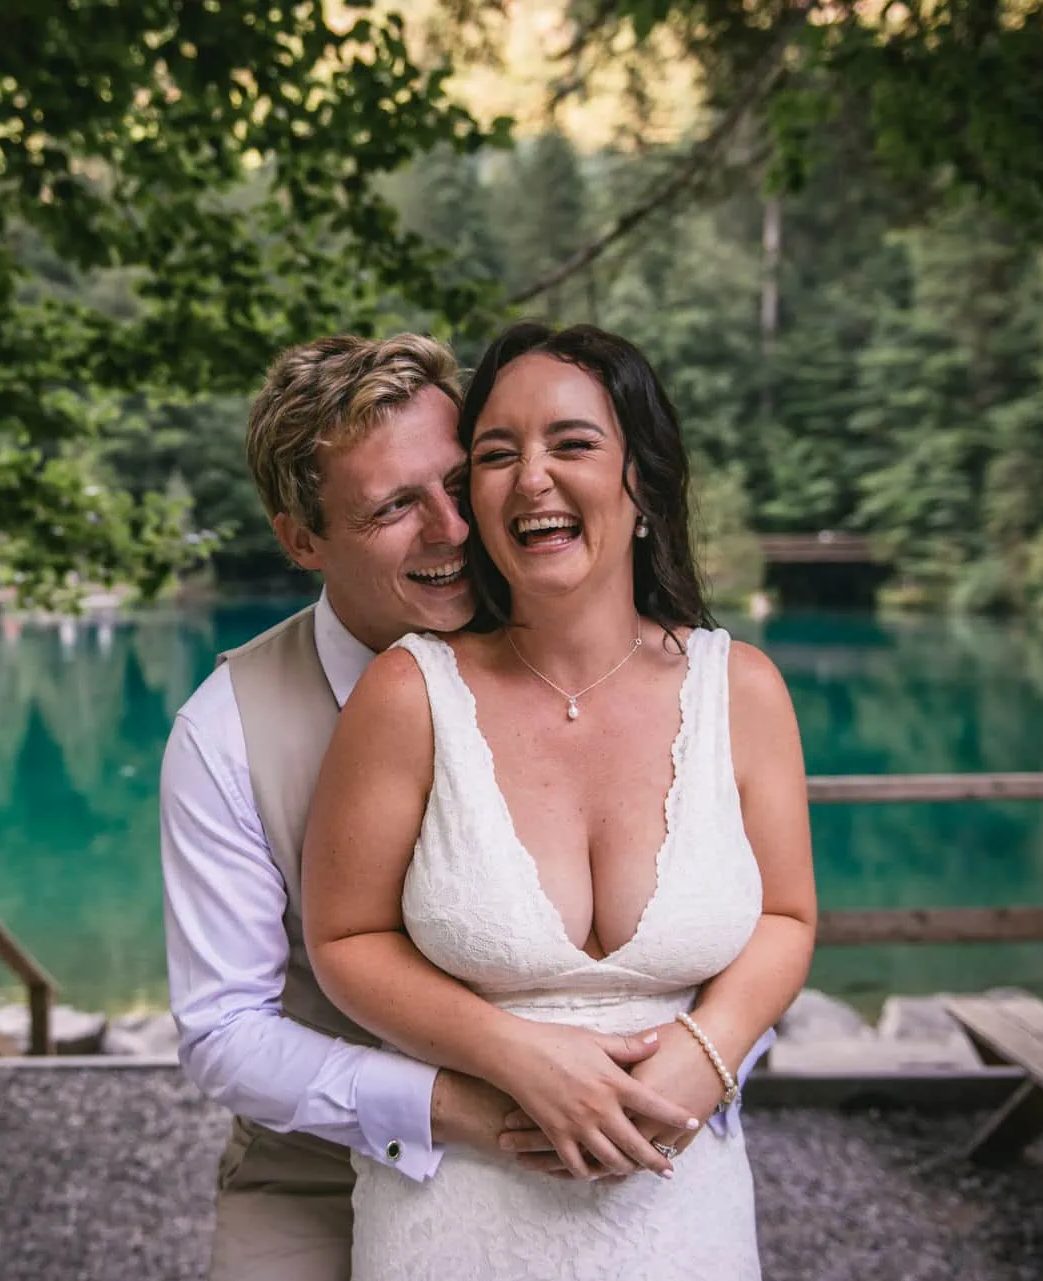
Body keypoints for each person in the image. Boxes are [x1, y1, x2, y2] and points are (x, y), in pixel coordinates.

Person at [161, 334, 697, 1281]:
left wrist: (688, 1069)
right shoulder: (225, 731)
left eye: (459, 479)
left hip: (611, 1130)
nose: (451, 529)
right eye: (394, 507)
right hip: (321, 1169)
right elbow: (224, 1033)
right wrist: (473, 1106)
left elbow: (722, 899)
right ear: (302, 539)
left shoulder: (592, 645)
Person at [302, 322, 816, 1280]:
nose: (530, 476)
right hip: (459, 1211)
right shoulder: (410, 693)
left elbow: (786, 914)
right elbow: (344, 940)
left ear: (645, 487)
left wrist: (706, 1056)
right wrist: (518, 1054)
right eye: (496, 455)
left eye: (571, 443)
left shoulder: (739, 689)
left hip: (683, 1204)